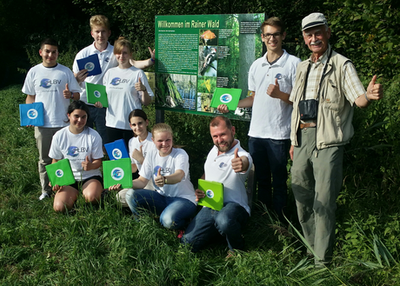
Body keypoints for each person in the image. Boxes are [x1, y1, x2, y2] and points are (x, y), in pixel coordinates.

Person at [289, 12, 383, 266]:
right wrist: (293, 141)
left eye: (318, 32)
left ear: (328, 33)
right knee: (301, 195)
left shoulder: (342, 65)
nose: (314, 38)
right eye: (309, 34)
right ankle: (311, 248)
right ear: (304, 38)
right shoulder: (302, 67)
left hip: (328, 140)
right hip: (301, 138)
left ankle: (322, 261)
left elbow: (359, 99)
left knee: (325, 200)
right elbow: (296, 106)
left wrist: (370, 96)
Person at [218, 17, 300, 220]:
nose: (272, 38)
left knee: (279, 181)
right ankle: (264, 220)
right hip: (256, 134)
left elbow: (301, 101)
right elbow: (253, 99)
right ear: (262, 38)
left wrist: (281, 95)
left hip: (279, 134)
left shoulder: (294, 64)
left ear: (283, 36)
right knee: (261, 180)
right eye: (268, 35)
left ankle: (280, 221)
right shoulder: (256, 65)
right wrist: (231, 105)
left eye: (276, 34)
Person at [73, 15, 155, 144]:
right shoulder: (83, 53)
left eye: (103, 31)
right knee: (84, 140)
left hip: (106, 104)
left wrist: (151, 61)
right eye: (97, 31)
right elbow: (74, 79)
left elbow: (132, 63)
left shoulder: (115, 51)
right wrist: (76, 79)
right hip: (85, 102)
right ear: (92, 33)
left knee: (105, 143)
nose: (100, 35)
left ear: (109, 33)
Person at [181, 116, 253, 253]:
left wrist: (241, 163)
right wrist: (200, 189)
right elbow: (207, 174)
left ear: (232, 130)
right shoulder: (213, 150)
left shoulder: (243, 154)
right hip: (211, 205)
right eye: (215, 136)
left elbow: (244, 163)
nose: (219, 140)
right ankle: (221, 232)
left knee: (224, 220)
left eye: (223, 134)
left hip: (235, 207)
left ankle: (236, 249)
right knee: (187, 243)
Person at [22, 38, 81, 200]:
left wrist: (71, 95)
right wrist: (30, 116)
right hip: (42, 124)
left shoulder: (65, 72)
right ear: (41, 52)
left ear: (57, 53)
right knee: (45, 159)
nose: (50, 55)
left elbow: (77, 94)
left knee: (65, 157)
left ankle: (64, 187)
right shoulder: (34, 72)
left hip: (63, 123)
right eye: (47, 51)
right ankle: (46, 190)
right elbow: (30, 96)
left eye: (54, 52)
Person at [112, 123, 197, 230]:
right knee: (130, 194)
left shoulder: (180, 154)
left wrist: (165, 180)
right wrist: (123, 184)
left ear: (172, 138)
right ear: (153, 140)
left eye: (168, 140)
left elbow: (179, 175)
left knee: (167, 221)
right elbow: (142, 181)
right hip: (161, 197)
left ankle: (185, 223)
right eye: (160, 141)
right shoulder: (151, 155)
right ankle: (142, 223)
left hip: (184, 199)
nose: (164, 144)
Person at [48, 100, 104, 212]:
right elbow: (55, 160)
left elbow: (99, 161)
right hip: (68, 177)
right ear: (69, 115)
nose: (80, 120)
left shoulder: (93, 135)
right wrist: (55, 179)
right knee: (59, 207)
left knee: (92, 198)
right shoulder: (59, 136)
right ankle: (73, 197)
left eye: (84, 117)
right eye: (76, 116)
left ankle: (93, 193)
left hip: (90, 176)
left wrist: (91, 166)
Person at [102, 37, 154, 146]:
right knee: (116, 161)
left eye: (125, 53)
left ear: (130, 54)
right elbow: (104, 98)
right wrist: (99, 103)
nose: (121, 56)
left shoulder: (137, 73)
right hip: (112, 124)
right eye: (118, 53)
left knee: (134, 159)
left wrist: (143, 90)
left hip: (132, 126)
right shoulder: (109, 73)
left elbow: (147, 102)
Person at [116, 109, 156, 207]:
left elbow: (157, 170)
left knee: (133, 196)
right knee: (119, 197)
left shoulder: (154, 141)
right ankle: (143, 204)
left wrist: (141, 159)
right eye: (134, 125)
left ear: (147, 122)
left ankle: (149, 205)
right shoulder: (132, 142)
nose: (137, 127)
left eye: (140, 123)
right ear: (130, 126)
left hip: (154, 183)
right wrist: (118, 174)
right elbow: (134, 167)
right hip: (141, 181)